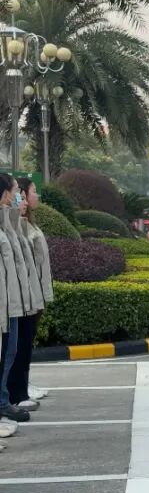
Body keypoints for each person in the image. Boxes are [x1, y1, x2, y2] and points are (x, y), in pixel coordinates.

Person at [4, 178, 53, 412]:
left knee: (19, 350)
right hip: (13, 303)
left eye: (23, 196)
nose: (23, 200)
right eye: (19, 195)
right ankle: (11, 397)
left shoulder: (19, 227)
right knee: (13, 351)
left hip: (24, 299)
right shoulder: (9, 228)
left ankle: (16, 392)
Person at [0, 173, 28, 427]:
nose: (20, 198)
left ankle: (4, 401)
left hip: (11, 303)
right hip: (4, 305)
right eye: (16, 191)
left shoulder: (7, 224)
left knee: (10, 354)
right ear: (6, 194)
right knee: (6, 355)